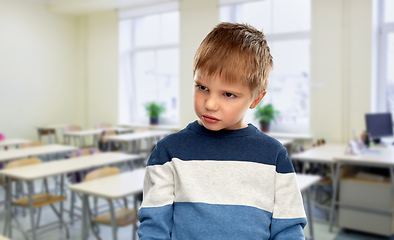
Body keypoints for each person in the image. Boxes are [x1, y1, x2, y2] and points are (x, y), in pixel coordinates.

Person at [137, 22, 307, 239]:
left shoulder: (274, 156)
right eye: (202, 87)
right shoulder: (168, 151)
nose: (210, 104)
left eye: (228, 94)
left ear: (256, 98)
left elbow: (289, 229)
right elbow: (154, 227)